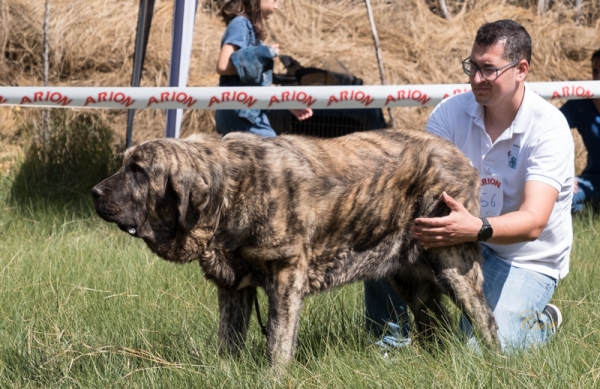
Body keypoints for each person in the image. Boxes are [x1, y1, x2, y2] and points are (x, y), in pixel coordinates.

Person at [366, 19, 573, 352]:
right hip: (460, 235)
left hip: (523, 258)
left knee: (477, 349)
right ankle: (390, 343)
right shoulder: (450, 114)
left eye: (488, 69)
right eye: (472, 66)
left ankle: (541, 321)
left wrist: (474, 228)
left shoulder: (549, 128)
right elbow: (418, 189)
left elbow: (534, 222)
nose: (476, 78)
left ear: (521, 70)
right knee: (385, 235)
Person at [215, 0, 312, 137]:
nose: (276, 6)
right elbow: (223, 66)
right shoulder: (240, 24)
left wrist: (289, 104)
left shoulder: (247, 26)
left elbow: (255, 80)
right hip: (242, 114)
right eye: (274, 1)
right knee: (275, 152)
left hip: (248, 113)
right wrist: (263, 55)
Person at [560, 49, 600, 213]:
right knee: (561, 198)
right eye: (595, 71)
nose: (598, 78)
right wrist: (564, 174)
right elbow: (549, 131)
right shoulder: (581, 105)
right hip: (593, 179)